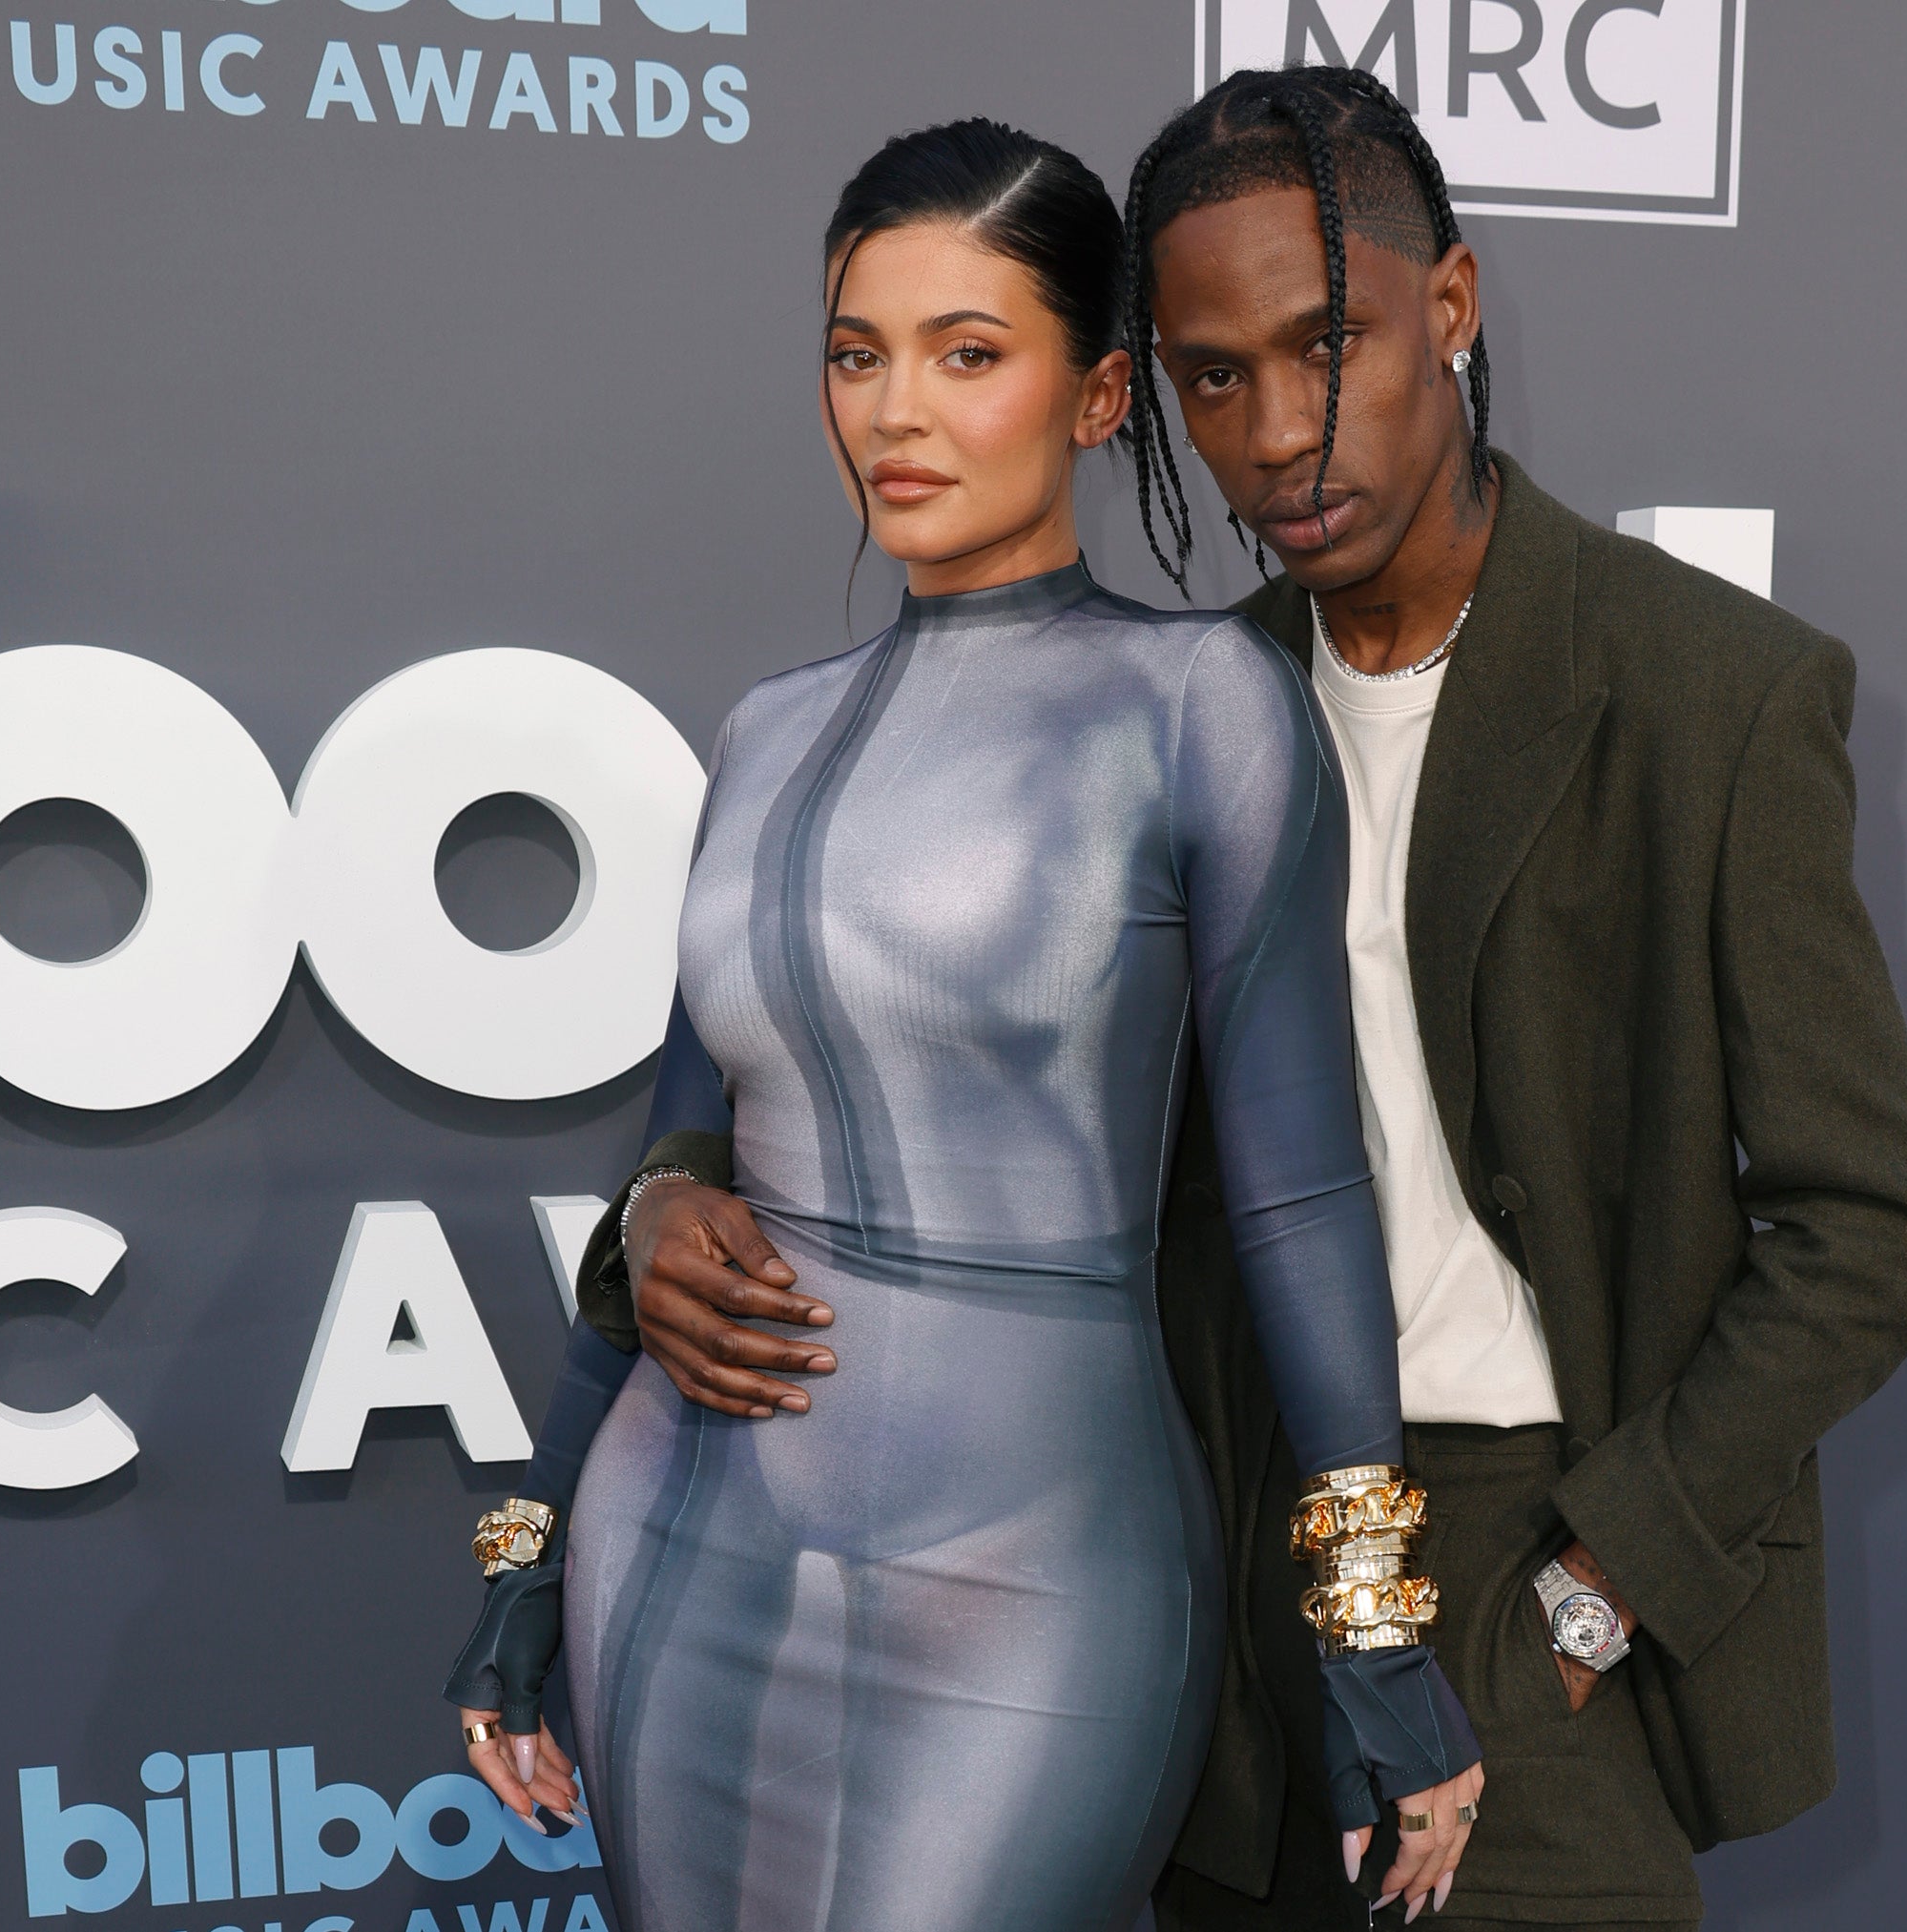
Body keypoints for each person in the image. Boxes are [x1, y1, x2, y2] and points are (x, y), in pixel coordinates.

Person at [617, 65, 1907, 1932]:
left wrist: (1588, 1585)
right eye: (1211, 375)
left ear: (1453, 311)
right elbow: (840, 1025)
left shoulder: (1702, 692)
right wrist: (671, 1181)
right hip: (1190, 1538)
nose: (1272, 430)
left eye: (1328, 343)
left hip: (1513, 1553)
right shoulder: (1172, 698)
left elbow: (1863, 1228)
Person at [436, 116, 1485, 1932]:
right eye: (859, 354)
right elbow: (676, 1158)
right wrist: (529, 1544)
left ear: (1095, 400)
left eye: (966, 353)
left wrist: (1371, 1621)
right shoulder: (764, 729)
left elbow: (1301, 1197)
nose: (892, 412)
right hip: (681, 1544)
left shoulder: (1200, 709)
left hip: (1033, 1578)